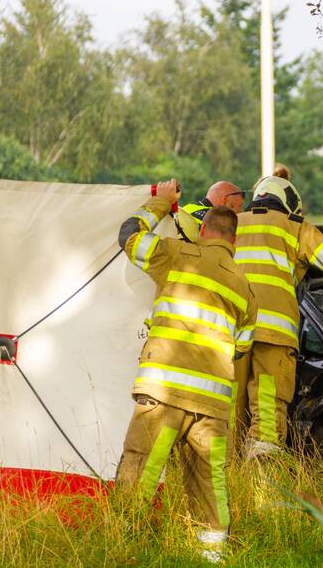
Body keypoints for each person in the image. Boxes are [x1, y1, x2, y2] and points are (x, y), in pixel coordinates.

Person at [115, 179, 257, 562]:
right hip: (210, 408)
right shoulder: (244, 287)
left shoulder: (177, 254)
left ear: (205, 230)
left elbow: (129, 236)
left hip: (163, 396)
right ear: (235, 241)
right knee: (209, 484)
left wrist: (160, 202)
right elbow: (242, 348)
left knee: (142, 469)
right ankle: (212, 556)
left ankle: (126, 548)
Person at [233, 176, 323, 459]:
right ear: (290, 203)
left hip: (230, 336)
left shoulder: (232, 224)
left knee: (228, 412)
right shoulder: (294, 226)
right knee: (266, 407)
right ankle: (263, 487)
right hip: (272, 337)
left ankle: (224, 485)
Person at [181, 181, 247, 229]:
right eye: (240, 206)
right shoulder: (219, 220)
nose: (241, 211)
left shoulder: (186, 209)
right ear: (225, 200)